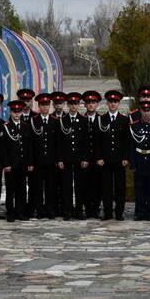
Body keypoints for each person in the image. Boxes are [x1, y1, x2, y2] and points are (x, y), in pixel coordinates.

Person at [96, 89, 130, 220]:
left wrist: (126, 157)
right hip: (105, 160)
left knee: (120, 188)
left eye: (115, 101)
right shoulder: (101, 119)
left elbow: (127, 141)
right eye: (110, 101)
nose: (113, 104)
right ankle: (108, 212)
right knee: (106, 188)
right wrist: (99, 157)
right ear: (107, 103)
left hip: (119, 160)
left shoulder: (124, 120)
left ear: (119, 103)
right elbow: (97, 141)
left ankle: (119, 213)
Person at [56, 92, 89, 220]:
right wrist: (59, 159)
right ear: (68, 105)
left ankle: (79, 209)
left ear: (79, 105)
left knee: (80, 185)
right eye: (71, 104)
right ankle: (68, 210)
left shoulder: (83, 119)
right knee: (67, 186)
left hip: (80, 159)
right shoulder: (62, 120)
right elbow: (59, 142)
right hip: (66, 158)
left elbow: (86, 141)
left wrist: (85, 158)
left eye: (76, 103)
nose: (74, 106)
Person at [130, 101, 150, 220]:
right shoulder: (134, 125)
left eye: (148, 110)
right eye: (144, 110)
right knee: (139, 188)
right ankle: (139, 212)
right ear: (140, 111)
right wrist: (132, 163)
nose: (146, 113)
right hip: (139, 160)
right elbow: (132, 146)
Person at [2, 100, 33, 221]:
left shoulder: (26, 126)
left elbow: (29, 146)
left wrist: (30, 162)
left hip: (23, 163)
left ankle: (20, 212)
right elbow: (3, 149)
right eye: (14, 112)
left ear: (21, 112)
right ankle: (10, 212)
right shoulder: (6, 127)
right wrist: (6, 164)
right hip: (11, 164)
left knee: (21, 189)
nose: (16, 114)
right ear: (11, 112)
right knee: (10, 190)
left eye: (19, 111)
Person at [29, 94, 59, 219]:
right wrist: (31, 161)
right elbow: (30, 144)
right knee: (38, 187)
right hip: (38, 161)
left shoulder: (55, 121)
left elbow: (58, 144)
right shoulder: (33, 121)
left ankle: (50, 209)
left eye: (47, 105)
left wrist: (58, 159)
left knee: (50, 187)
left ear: (50, 106)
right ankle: (40, 210)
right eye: (42, 105)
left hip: (51, 161)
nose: (45, 107)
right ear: (39, 106)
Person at [82, 90, 103, 218]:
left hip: (98, 159)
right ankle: (87, 209)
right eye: (88, 102)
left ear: (97, 105)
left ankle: (95, 209)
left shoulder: (102, 119)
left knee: (97, 184)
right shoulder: (81, 119)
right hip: (84, 158)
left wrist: (101, 157)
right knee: (85, 184)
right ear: (85, 105)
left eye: (93, 102)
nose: (91, 105)